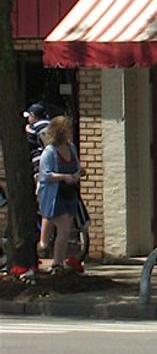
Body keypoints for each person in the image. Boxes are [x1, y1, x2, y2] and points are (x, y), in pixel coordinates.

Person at [37, 115, 86, 273]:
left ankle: (52, 255)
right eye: (68, 129)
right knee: (64, 229)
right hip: (54, 195)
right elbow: (45, 174)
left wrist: (79, 173)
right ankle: (56, 263)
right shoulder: (49, 151)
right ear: (60, 131)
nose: (70, 132)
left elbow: (76, 166)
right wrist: (64, 177)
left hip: (69, 193)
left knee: (64, 228)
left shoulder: (71, 147)